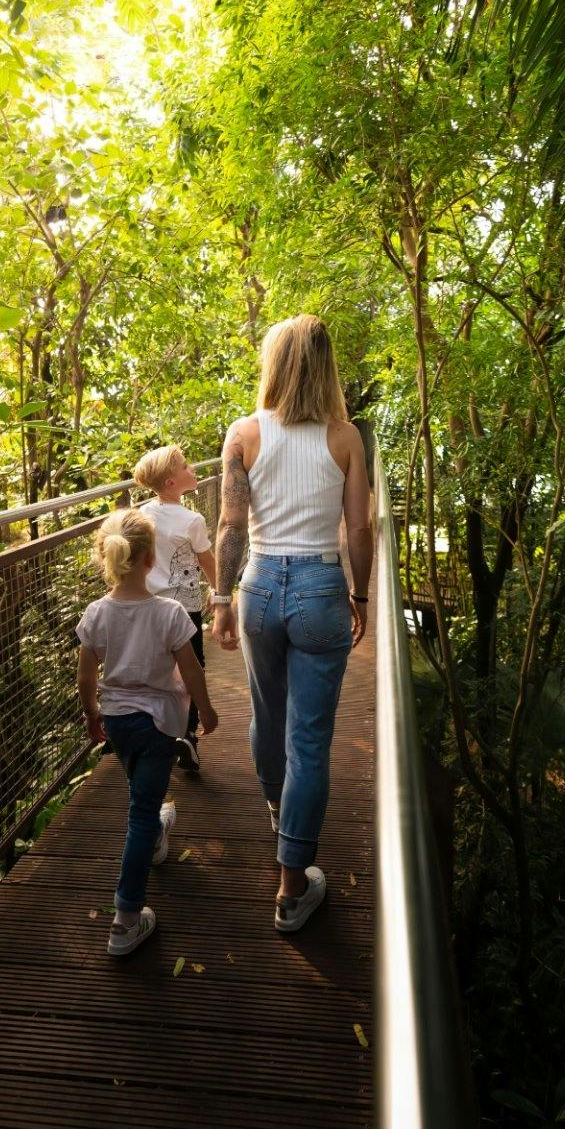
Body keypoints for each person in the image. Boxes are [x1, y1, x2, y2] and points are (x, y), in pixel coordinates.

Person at [211, 314, 372, 934]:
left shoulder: (244, 433)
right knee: (308, 739)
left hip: (256, 587)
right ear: (327, 366)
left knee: (265, 716)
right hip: (320, 588)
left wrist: (221, 598)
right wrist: (360, 594)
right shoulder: (345, 437)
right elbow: (358, 528)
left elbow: (229, 526)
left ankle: (280, 813)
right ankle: (291, 884)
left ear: (273, 364)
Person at [77, 509, 221, 956]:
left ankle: (157, 834)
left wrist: (91, 713)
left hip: (118, 722)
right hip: (160, 723)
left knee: (142, 791)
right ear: (150, 559)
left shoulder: (97, 613)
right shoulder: (170, 613)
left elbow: (85, 674)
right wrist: (207, 709)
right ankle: (125, 918)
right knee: (140, 812)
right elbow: (191, 670)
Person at [133, 444, 218, 773]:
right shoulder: (192, 520)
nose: (192, 469)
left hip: (150, 606)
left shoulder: (143, 514)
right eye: (185, 466)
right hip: (184, 608)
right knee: (191, 668)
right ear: (171, 482)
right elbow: (207, 561)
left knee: (158, 670)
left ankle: (154, 732)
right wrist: (220, 591)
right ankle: (187, 737)